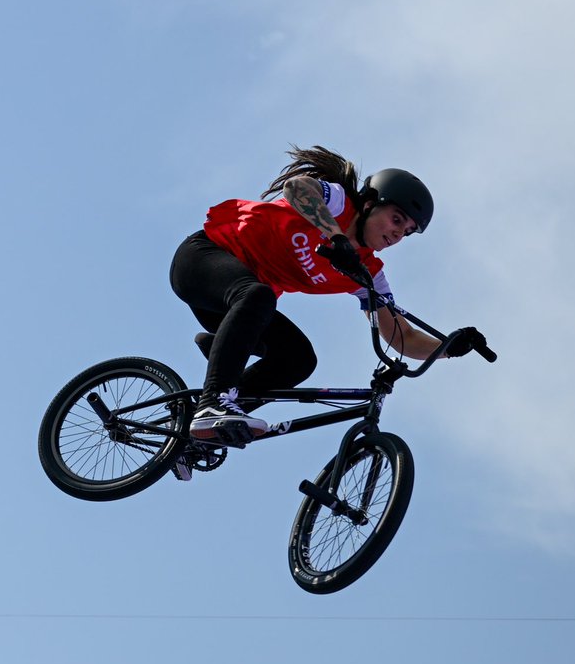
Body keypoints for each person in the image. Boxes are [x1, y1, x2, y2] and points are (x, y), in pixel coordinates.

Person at [169, 144, 487, 445]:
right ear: (369, 204)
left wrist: (448, 348)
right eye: (396, 219)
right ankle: (214, 402)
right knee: (258, 295)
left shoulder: (367, 272)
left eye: (405, 232)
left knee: (299, 359)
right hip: (203, 260)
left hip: (236, 307)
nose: (397, 233)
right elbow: (297, 188)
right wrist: (336, 237)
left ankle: (203, 428)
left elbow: (400, 335)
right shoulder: (339, 204)